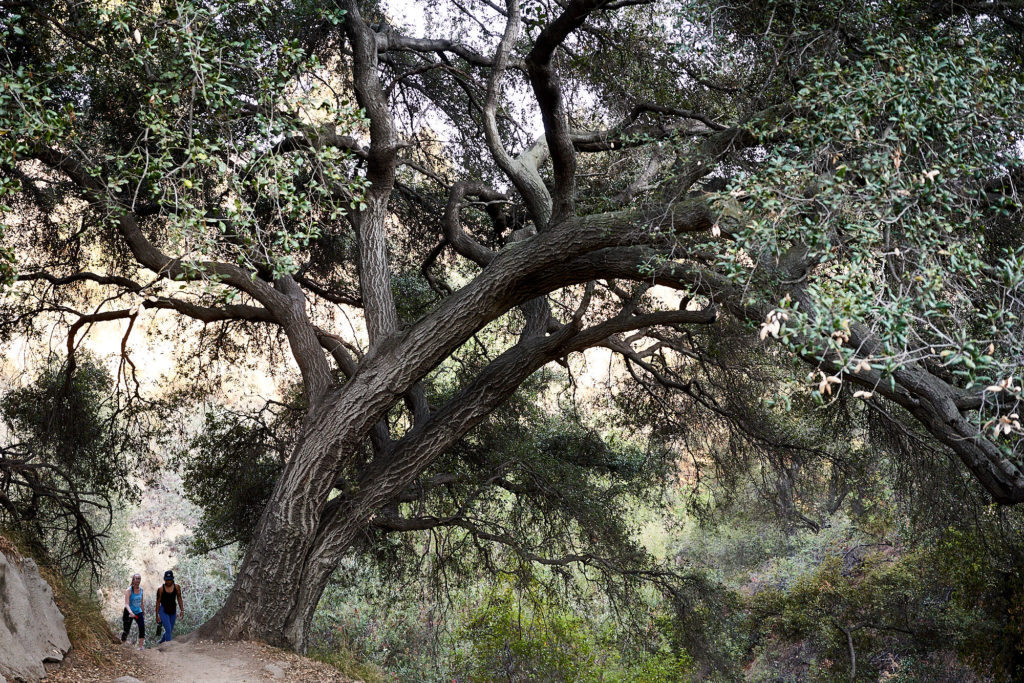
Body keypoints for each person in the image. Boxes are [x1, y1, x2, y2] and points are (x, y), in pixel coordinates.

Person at [155, 570, 184, 643]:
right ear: (164, 579)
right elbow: (158, 602)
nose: (168, 581)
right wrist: (157, 615)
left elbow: (179, 598)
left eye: (170, 580)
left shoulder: (177, 587)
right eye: (167, 580)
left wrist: (182, 610)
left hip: (173, 610)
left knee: (170, 629)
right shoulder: (161, 589)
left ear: (172, 579)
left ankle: (161, 641)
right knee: (168, 629)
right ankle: (169, 646)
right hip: (163, 610)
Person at [121, 573, 145, 649]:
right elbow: (126, 604)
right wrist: (131, 612)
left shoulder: (141, 590)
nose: (138, 580)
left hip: (138, 612)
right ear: (133, 580)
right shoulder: (129, 590)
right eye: (136, 578)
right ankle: (122, 644)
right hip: (129, 612)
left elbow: (141, 602)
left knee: (142, 627)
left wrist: (143, 611)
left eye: (139, 579)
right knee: (126, 629)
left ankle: (141, 646)